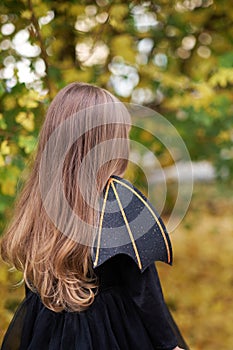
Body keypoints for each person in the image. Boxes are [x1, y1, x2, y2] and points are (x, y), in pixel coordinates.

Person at [0, 82, 188, 350]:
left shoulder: (39, 203)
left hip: (48, 332)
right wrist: (169, 345)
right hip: (111, 333)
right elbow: (143, 290)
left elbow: (33, 285)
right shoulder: (120, 203)